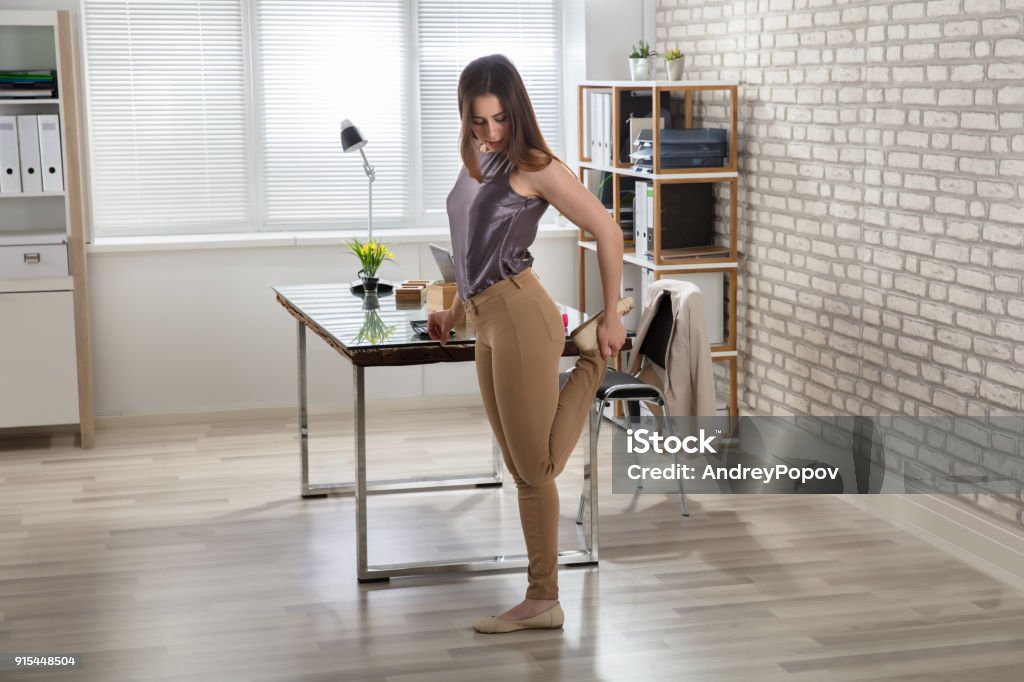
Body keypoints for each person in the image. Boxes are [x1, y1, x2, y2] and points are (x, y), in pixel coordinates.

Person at [427, 54, 632, 634]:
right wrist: (455, 308)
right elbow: (472, 245)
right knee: (523, 468)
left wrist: (613, 317)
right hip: (487, 320)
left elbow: (608, 228)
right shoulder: (475, 159)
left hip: (521, 314)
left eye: (499, 120)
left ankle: (592, 354)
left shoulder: (534, 165)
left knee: (537, 467)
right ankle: (542, 599)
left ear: (516, 112)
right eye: (478, 121)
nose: (490, 133)